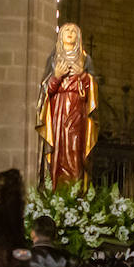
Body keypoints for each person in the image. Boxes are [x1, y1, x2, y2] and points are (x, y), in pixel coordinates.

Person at [35, 22, 98, 188]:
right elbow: (45, 90)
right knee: (59, 150)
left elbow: (93, 88)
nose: (70, 33)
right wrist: (56, 76)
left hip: (77, 111)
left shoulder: (85, 59)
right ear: (60, 35)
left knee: (75, 149)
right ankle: (56, 186)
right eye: (66, 30)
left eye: (73, 31)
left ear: (78, 36)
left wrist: (83, 77)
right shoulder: (53, 58)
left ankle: (75, 188)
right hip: (58, 111)